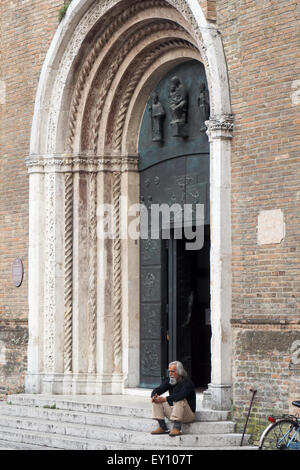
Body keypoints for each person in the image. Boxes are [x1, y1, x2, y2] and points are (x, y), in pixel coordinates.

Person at [151, 361, 196, 437]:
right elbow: (158, 389)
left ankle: (177, 428)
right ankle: (162, 427)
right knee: (157, 400)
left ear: (179, 372)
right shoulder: (170, 381)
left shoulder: (188, 382)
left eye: (172, 371)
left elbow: (181, 395)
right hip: (174, 413)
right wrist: (154, 396)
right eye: (169, 371)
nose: (170, 374)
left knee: (179, 400)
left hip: (187, 415)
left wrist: (165, 399)